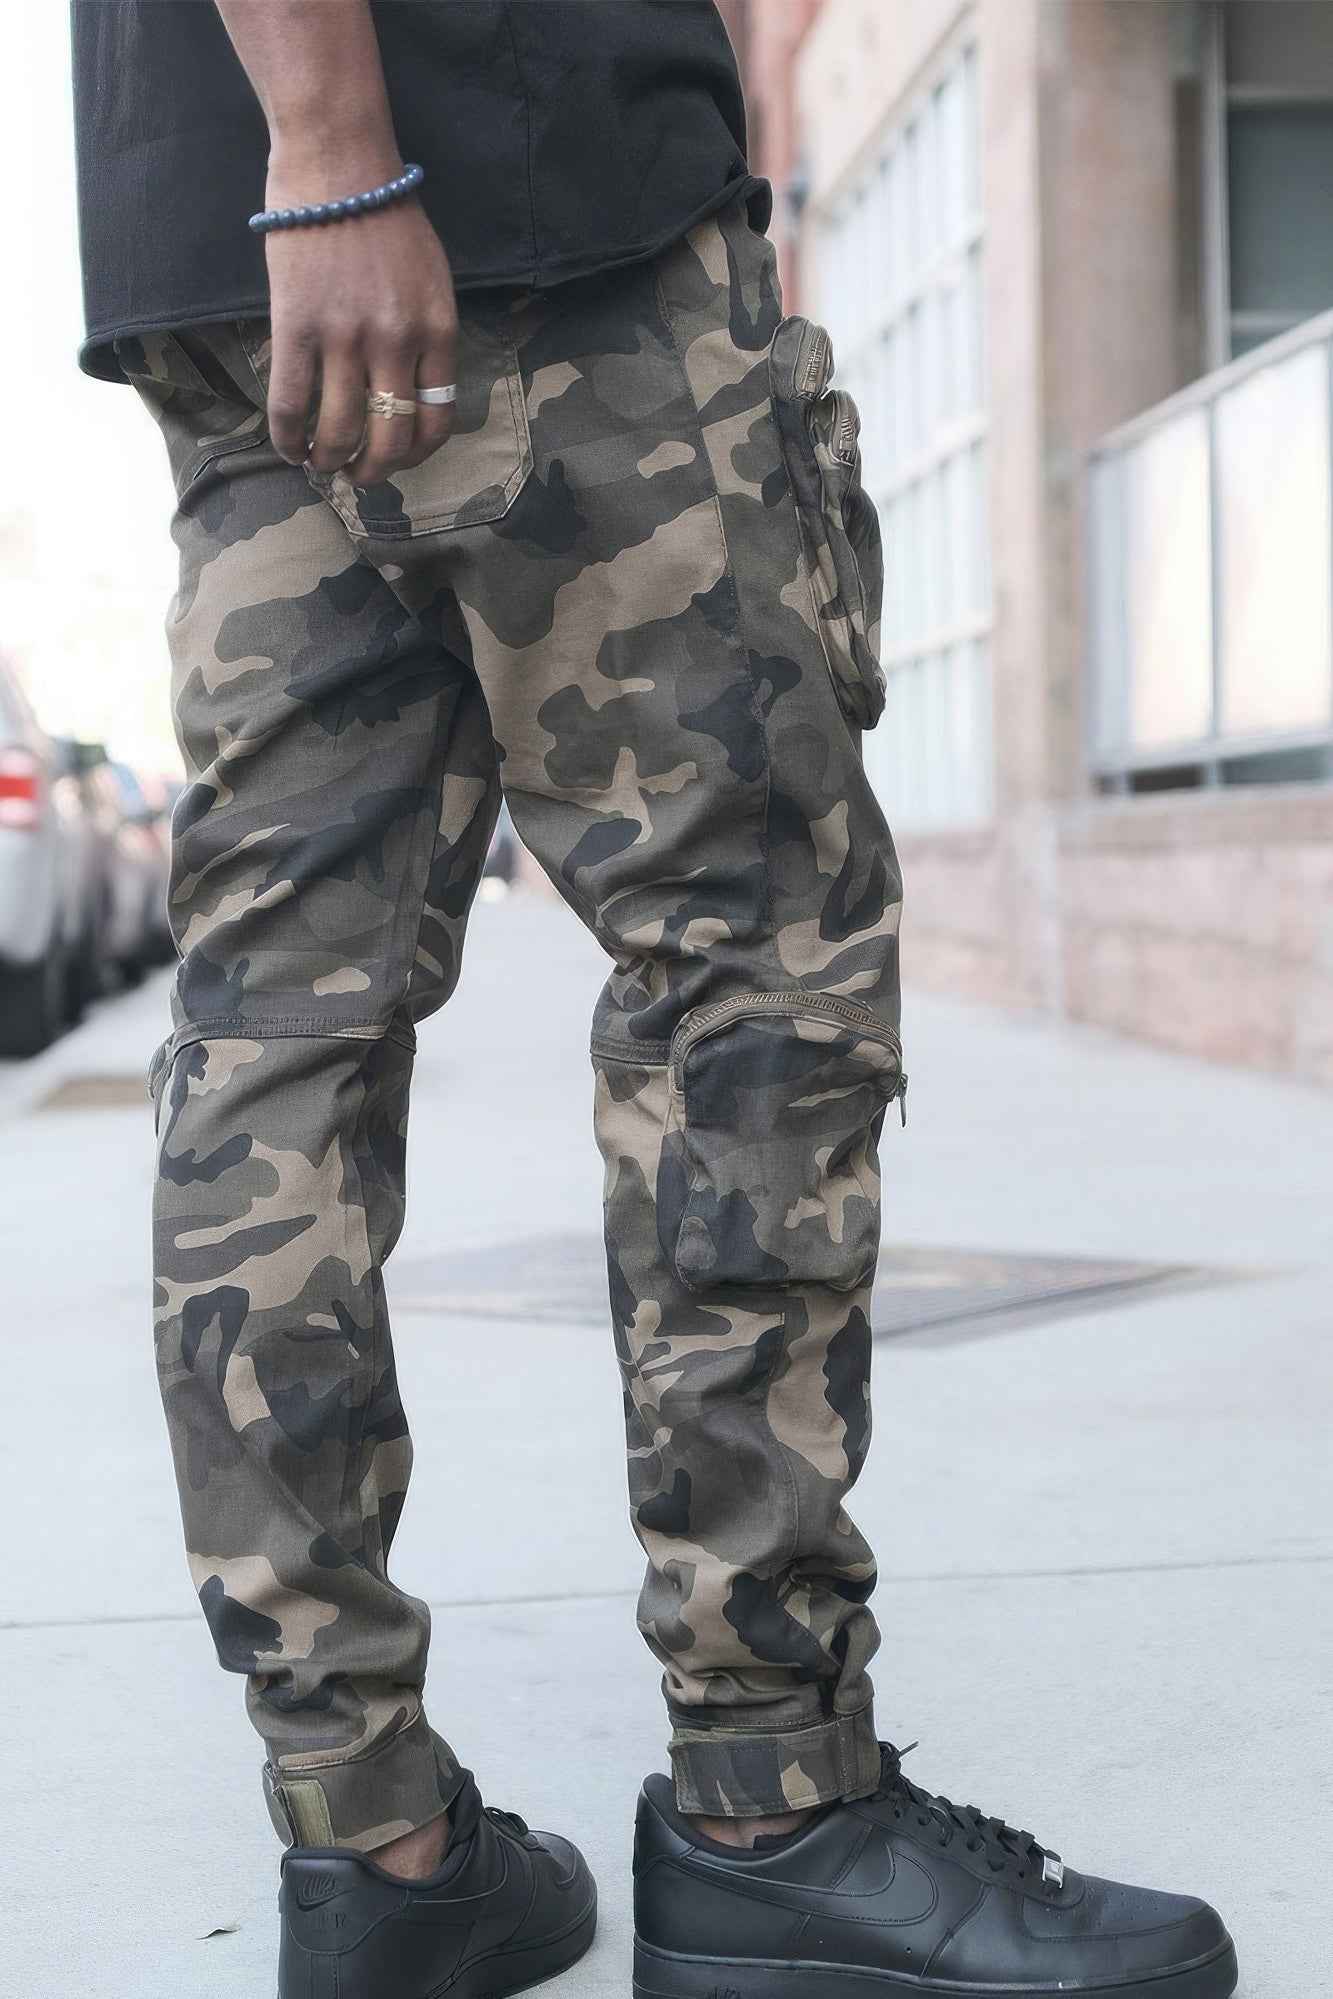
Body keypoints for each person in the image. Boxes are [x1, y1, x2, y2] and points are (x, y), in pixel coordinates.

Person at [71, 5, 1236, 1997]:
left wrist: (305, 164)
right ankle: (772, 1805)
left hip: (236, 244)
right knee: (748, 965)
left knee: (278, 1030)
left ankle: (374, 1845)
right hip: (509, 194)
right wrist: (336, 149)